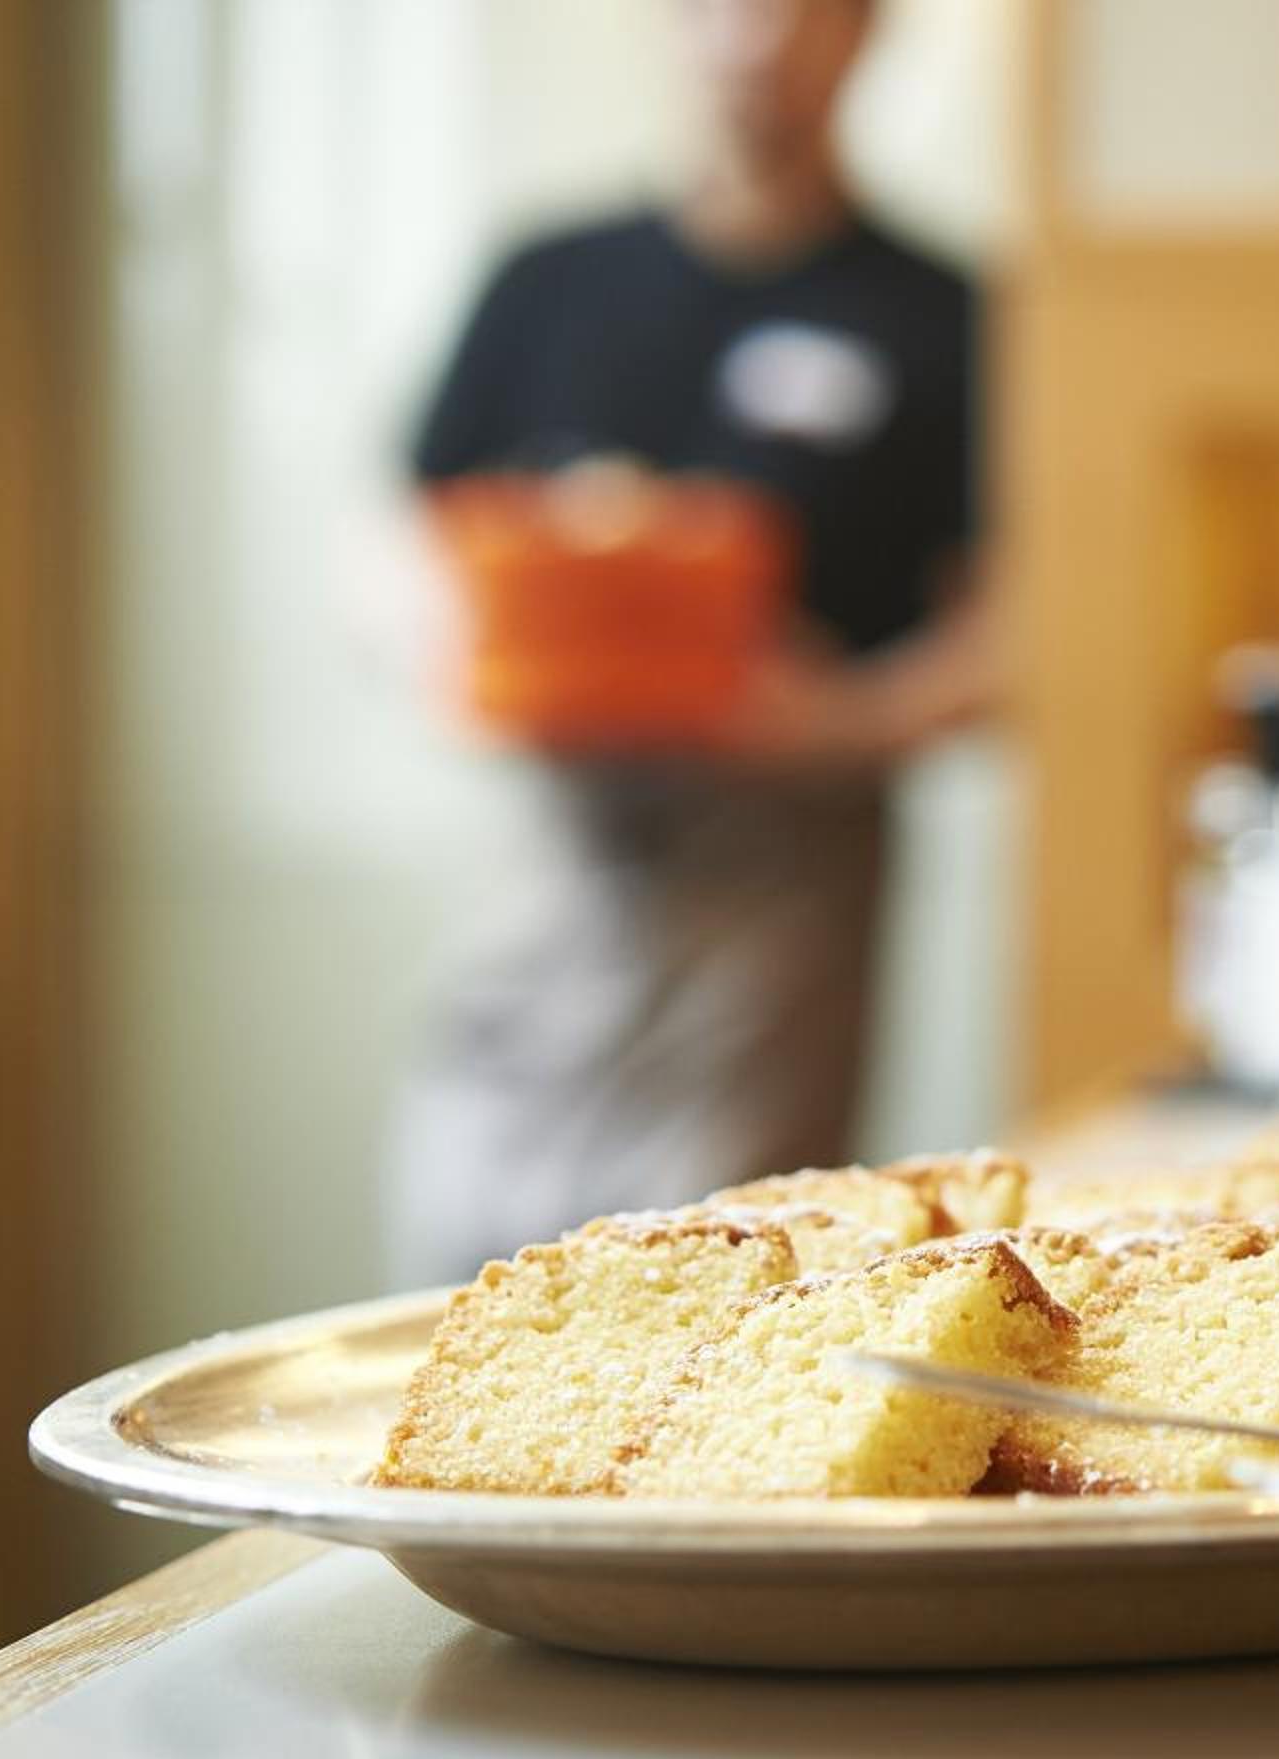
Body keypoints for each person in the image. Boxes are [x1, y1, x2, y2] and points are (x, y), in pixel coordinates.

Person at [391, 0, 989, 1282]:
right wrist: (474, 651)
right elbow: (400, 533)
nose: (757, 37)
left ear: (865, 32)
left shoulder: (942, 312)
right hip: (554, 856)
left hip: (783, 881)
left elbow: (1022, 622)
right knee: (470, 1264)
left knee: (723, 1273)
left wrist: (848, 719)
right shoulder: (550, 280)